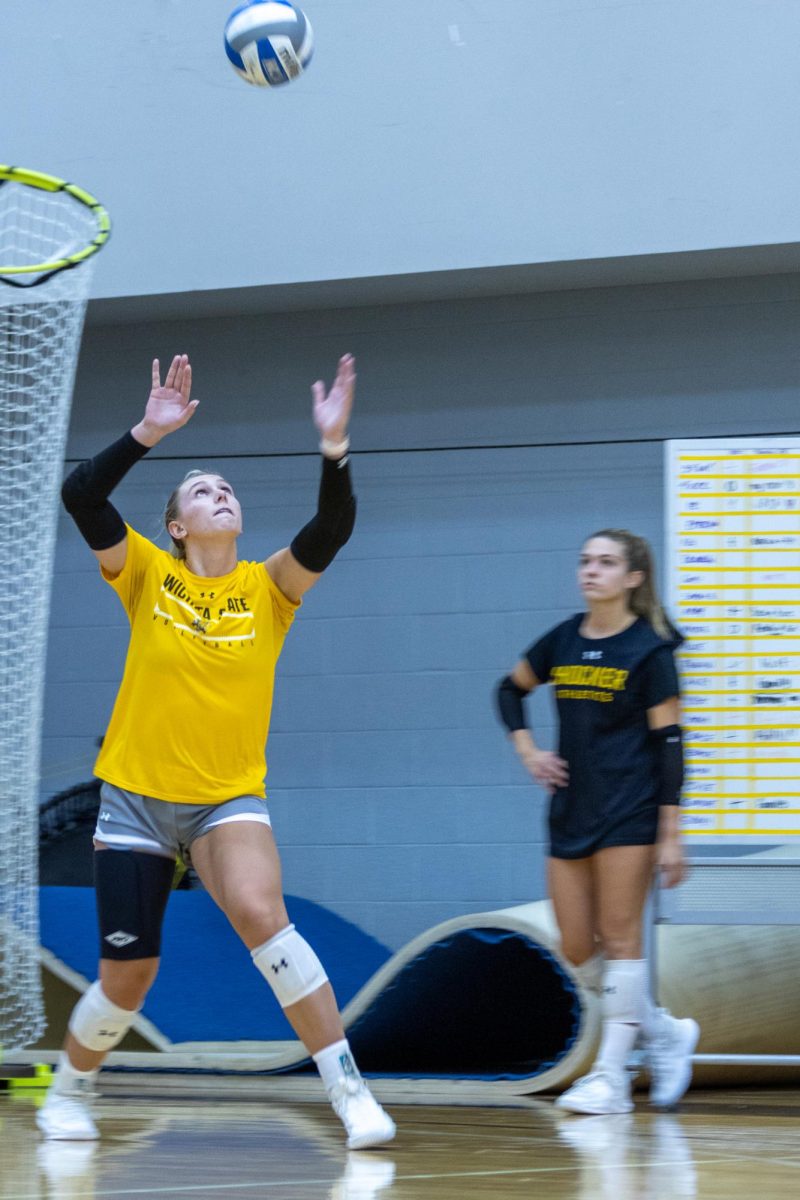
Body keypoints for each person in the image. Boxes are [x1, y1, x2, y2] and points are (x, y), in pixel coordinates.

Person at [37, 353, 396, 1150]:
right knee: (128, 981)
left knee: (265, 917)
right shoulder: (146, 573)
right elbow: (80, 494)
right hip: (134, 796)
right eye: (202, 489)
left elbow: (331, 528)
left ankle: (348, 1094)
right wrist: (147, 432)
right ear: (176, 524)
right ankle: (70, 1087)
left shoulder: (269, 588)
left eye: (227, 488)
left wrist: (334, 449)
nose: (221, 494)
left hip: (226, 799)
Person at [495, 529, 699, 1115]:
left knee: (622, 937)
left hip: (631, 811)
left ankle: (611, 1076)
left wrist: (670, 834)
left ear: (633, 578)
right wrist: (529, 752)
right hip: (571, 810)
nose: (591, 571)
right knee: (579, 948)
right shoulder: (562, 639)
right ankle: (662, 1034)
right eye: (585, 560)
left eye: (606, 563)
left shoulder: (650, 652)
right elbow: (509, 690)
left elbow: (670, 746)